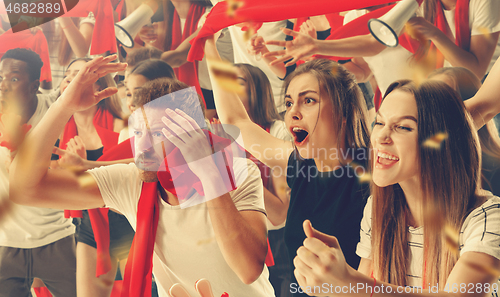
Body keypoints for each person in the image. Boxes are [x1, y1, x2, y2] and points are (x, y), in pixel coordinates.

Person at [9, 55, 275, 297]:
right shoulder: (132, 181)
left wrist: (208, 172)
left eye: (157, 133)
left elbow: (248, 269)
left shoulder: (237, 172)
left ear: (191, 134)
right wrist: (64, 105)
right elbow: (25, 189)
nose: (143, 145)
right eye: (138, 132)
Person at [292, 78, 500, 296]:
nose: (381, 137)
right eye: (379, 123)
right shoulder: (376, 209)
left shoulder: (487, 218)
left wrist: (350, 282)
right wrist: (332, 284)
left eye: (402, 127)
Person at [206, 31, 371, 296]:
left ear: (342, 110)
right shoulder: (301, 164)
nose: (292, 112)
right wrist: (209, 47)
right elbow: (237, 121)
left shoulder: (377, 175)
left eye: (308, 100)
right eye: (289, 102)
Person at [52, 57, 135, 297]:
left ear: (100, 87)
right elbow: (48, 176)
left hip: (129, 221)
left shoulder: (123, 126)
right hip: (89, 224)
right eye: (68, 75)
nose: (70, 80)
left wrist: (82, 167)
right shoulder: (57, 129)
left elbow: (133, 175)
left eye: (80, 75)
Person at [0, 48, 76, 296]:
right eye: (0, 78)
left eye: (13, 78)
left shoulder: (56, 109)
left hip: (57, 237)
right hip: (6, 244)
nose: (3, 85)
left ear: (34, 86)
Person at [428, 67, 500, 196]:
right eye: (427, 100)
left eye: (442, 100)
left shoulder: (496, 169)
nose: (431, 110)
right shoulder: (429, 164)